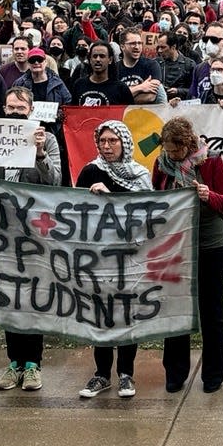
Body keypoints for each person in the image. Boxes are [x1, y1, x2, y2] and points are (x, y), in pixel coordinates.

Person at [0, 87, 61, 392]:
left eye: (21, 107)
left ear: (31, 109)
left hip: (33, 233)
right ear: (4, 109)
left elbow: (55, 181)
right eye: (11, 107)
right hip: (1, 232)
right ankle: (14, 362)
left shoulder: (46, 139)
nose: (16, 111)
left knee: (31, 296)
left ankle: (32, 364)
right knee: (7, 296)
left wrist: (40, 154)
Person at [153, 117, 223, 394]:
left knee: (211, 309)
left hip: (210, 243)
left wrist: (208, 195)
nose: (171, 156)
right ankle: (175, 372)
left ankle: (214, 372)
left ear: (187, 145)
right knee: (176, 307)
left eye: (175, 151)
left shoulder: (211, 162)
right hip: (175, 245)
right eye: (167, 151)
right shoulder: (161, 164)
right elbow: (156, 196)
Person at [77, 121, 153, 399]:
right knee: (100, 314)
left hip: (131, 254)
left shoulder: (140, 175)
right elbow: (76, 213)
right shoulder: (90, 171)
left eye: (113, 141)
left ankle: (125, 374)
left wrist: (113, 198)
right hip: (98, 256)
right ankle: (101, 374)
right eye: (103, 141)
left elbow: (147, 212)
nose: (107, 147)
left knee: (126, 313)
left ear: (125, 143)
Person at [73, 41, 133, 106]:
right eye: (95, 56)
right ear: (90, 59)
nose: (98, 59)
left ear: (110, 60)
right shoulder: (79, 85)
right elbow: (72, 112)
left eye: (102, 56)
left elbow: (129, 113)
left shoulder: (121, 88)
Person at [118, 27, 168, 105]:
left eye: (139, 43)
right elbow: (113, 96)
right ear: (122, 46)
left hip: (147, 114)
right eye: (132, 43)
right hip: (121, 115)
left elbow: (151, 96)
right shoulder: (114, 69)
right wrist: (141, 87)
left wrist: (122, 98)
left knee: (160, 89)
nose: (137, 47)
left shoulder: (152, 65)